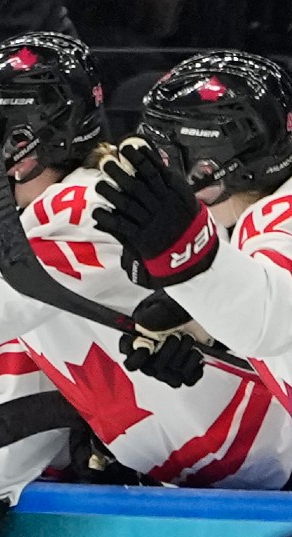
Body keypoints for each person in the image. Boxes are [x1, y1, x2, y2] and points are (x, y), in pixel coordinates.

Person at [0, 38, 292, 537]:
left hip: (249, 486)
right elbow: (25, 366)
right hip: (215, 489)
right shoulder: (73, 211)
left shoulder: (83, 207)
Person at [92, 51, 292, 420]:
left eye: (168, 153)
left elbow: (273, 321)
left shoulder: (274, 218)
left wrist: (188, 258)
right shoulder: (258, 219)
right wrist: (206, 324)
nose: (163, 167)